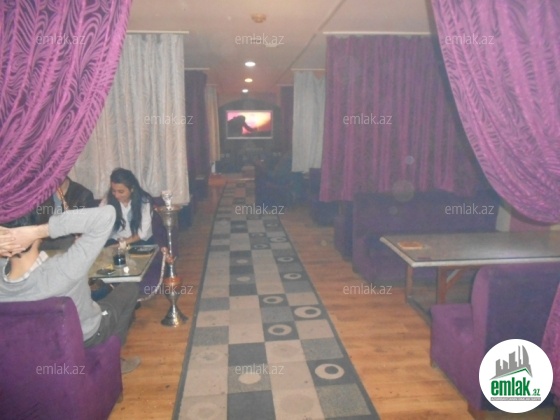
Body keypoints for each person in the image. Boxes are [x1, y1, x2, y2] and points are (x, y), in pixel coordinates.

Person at [0, 206, 141, 374]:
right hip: (85, 336)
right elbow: (107, 215)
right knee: (130, 289)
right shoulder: (64, 269)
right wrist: (39, 231)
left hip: (31, 345)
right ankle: (113, 360)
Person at [37, 176, 97, 250]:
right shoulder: (41, 194)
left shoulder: (83, 195)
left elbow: (89, 230)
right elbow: (32, 221)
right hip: (44, 241)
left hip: (70, 242)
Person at [101, 168, 154, 247]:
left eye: (121, 191)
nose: (116, 195)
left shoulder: (144, 202)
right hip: (115, 240)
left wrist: (121, 244)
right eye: (113, 191)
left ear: (132, 189)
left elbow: (142, 233)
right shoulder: (107, 201)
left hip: (140, 241)